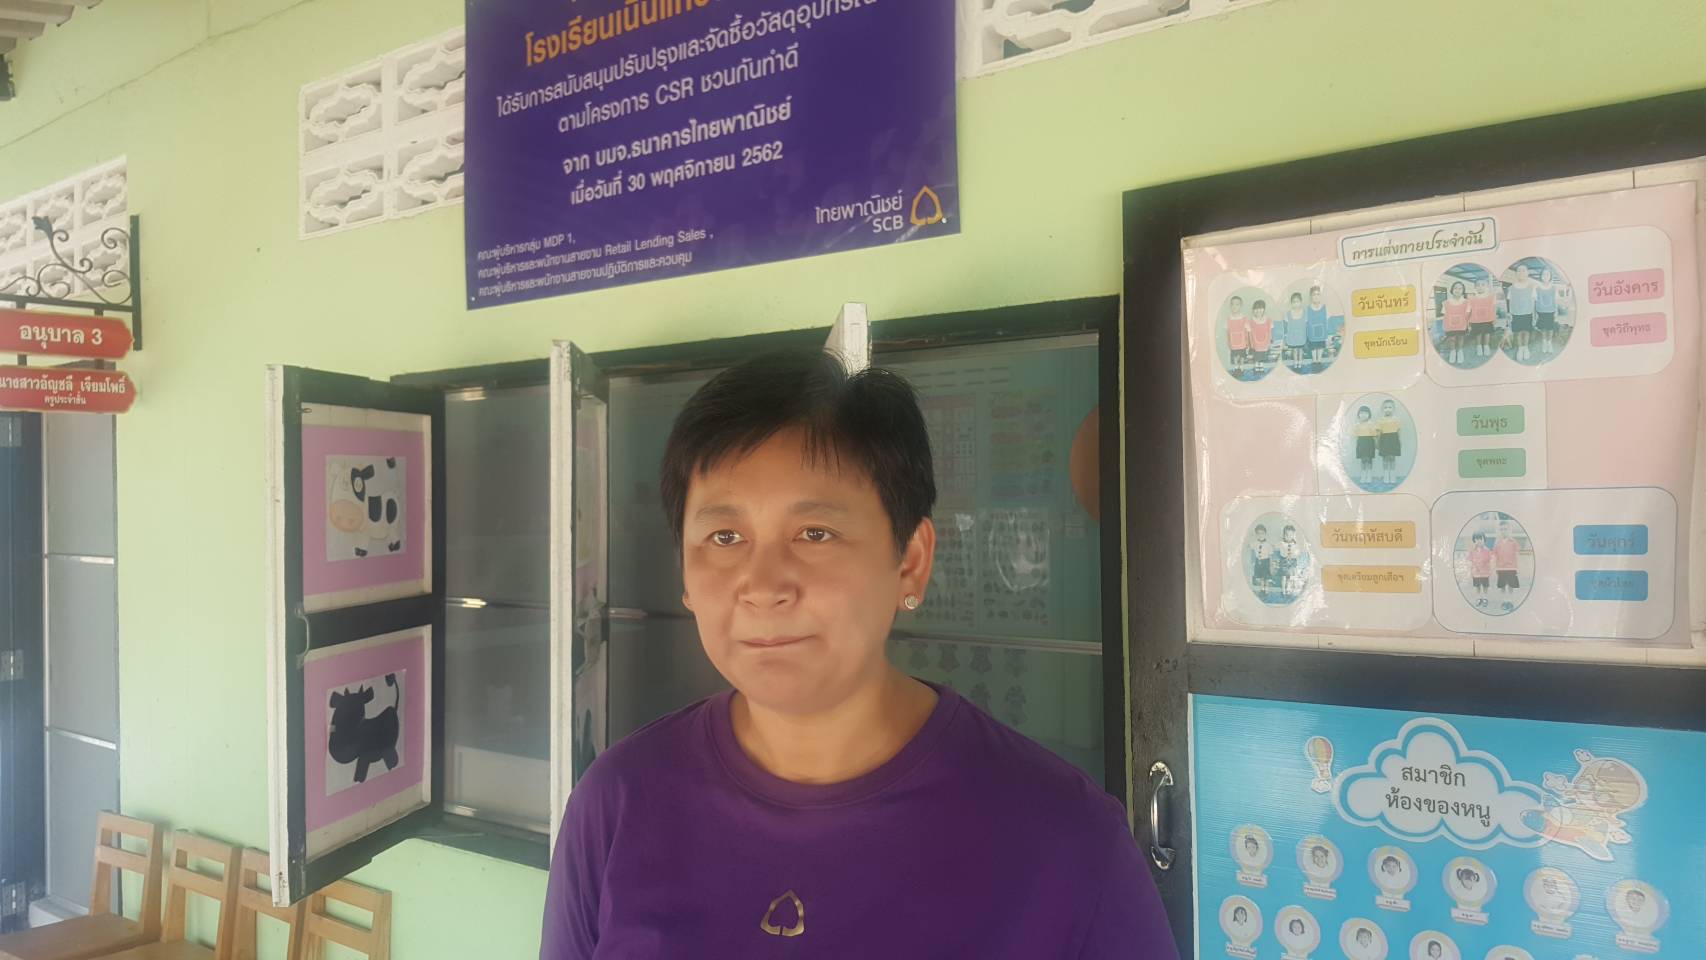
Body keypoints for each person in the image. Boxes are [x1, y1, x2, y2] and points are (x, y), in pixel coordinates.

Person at [539, 349, 1175, 959]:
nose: (763, 585)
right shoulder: (617, 805)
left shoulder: (1069, 843)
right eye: (724, 536)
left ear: (911, 562)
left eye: (814, 533)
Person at [1506, 264, 1537, 362]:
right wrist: (1509, 314)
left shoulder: (1532, 287)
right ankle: (1520, 349)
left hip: (1528, 313)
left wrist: (1534, 315)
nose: (1521, 272)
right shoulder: (1511, 288)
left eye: (1524, 270)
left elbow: (1533, 301)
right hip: (1516, 313)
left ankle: (1525, 348)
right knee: (1518, 332)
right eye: (1519, 271)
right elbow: (1509, 302)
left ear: (1528, 273)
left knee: (1526, 331)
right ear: (1516, 274)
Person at [1441, 281, 1470, 364]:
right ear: (1452, 290)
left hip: (1462, 325)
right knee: (1452, 339)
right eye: (1455, 288)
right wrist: (1444, 326)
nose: (1457, 290)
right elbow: (1444, 315)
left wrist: (1469, 325)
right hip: (1450, 325)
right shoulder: (1446, 302)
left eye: (1460, 288)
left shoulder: (1466, 302)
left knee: (1461, 338)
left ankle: (1460, 351)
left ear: (1463, 290)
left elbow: (1467, 314)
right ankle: (1453, 352)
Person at [1468, 276, 1498, 358]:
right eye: (1478, 285)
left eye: (1483, 285)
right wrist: (1469, 321)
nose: (1480, 287)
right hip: (1476, 320)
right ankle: (1479, 347)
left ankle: (1486, 346)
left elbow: (1494, 308)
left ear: (1487, 286)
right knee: (1478, 333)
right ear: (1475, 287)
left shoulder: (1491, 297)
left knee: (1487, 333)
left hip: (1488, 319)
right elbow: (1469, 310)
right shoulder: (1472, 298)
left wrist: (1494, 318)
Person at [1377, 399, 1402, 487]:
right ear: (1382, 409)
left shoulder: (1396, 420)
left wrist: (1400, 441)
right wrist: (1378, 443)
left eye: (1390, 407)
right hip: (1384, 439)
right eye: (1385, 407)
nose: (1388, 409)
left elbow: (1399, 432)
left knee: (1392, 457)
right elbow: (1379, 433)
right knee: (1385, 458)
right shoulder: (1380, 420)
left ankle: (1392, 475)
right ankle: (1386, 475)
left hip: (1393, 439)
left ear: (1393, 409)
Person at [1493, 521, 1521, 601]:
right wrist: (1495, 567)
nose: (1503, 531)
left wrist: (1518, 567)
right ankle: (1504, 600)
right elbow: (1495, 556)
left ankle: (1510, 600)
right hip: (1501, 568)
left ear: (1509, 530)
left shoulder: (1513, 542)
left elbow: (1517, 555)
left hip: (1511, 568)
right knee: (1502, 586)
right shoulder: (1497, 543)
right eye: (1501, 529)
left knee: (1511, 586)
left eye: (1505, 529)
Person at [1535, 268, 1560, 357]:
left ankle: (1549, 343)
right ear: (1541, 276)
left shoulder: (1554, 288)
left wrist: (1556, 312)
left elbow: (1556, 301)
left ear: (1550, 276)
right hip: (1541, 312)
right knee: (1543, 328)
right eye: (1543, 274)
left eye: (1547, 274)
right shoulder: (1537, 288)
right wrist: (1535, 314)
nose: (1545, 276)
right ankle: (1544, 343)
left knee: (1550, 328)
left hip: (1551, 311)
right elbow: (1535, 301)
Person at [1306, 286, 1331, 369]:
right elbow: (1306, 323)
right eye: (1314, 294)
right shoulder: (1308, 309)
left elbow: (1327, 322)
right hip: (1312, 333)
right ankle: (1314, 360)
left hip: (1322, 332)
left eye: (1318, 294)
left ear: (1320, 296)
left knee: (1320, 346)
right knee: (1313, 346)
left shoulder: (1325, 308)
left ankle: (1319, 360)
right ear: (1311, 296)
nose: (1316, 296)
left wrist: (1328, 335)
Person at [1283, 291, 1309, 368]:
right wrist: (1285, 337)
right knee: (1294, 350)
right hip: (1292, 336)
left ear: (1301, 302)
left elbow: (1306, 325)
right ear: (1291, 303)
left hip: (1301, 336)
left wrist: (1307, 335)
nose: (1296, 304)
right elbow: (1286, 326)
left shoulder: (1304, 313)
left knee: (1300, 350)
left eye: (1297, 302)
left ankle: (1300, 362)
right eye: (1294, 302)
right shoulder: (1288, 314)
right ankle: (1295, 362)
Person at [1353, 406, 1378, 486]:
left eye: (1366, 413)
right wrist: (1357, 445)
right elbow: (1356, 436)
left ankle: (1369, 475)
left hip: (1369, 442)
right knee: (1363, 460)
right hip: (1361, 442)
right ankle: (1363, 475)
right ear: (1358, 415)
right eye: (1361, 413)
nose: (1363, 415)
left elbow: (1374, 435)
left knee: (1369, 459)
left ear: (1369, 415)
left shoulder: (1371, 424)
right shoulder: (1357, 425)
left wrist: (1376, 444)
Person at [1227, 295, 1251, 377]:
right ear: (1230, 306)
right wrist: (1228, 342)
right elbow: (1228, 332)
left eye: (1237, 304)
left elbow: (1248, 331)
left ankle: (1241, 369)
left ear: (1241, 306)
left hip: (1242, 342)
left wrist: (1248, 343)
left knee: (1241, 356)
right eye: (1232, 304)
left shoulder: (1244, 318)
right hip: (1233, 342)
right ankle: (1236, 368)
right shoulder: (1229, 319)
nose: (1234, 306)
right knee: (1235, 356)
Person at [1467, 533, 1494, 608]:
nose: (1479, 541)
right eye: (1476, 539)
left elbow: (1490, 561)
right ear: (1474, 540)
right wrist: (1471, 571)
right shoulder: (1472, 551)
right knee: (1477, 586)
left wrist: (1490, 570)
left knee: (1485, 586)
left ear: (1484, 540)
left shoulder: (1487, 550)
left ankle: (1485, 598)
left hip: (1485, 573)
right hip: (1476, 573)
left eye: (1480, 539)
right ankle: (1479, 598)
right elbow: (1470, 561)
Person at [1249, 299, 1273, 375]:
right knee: (1256, 356)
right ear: (1253, 310)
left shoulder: (1268, 320)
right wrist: (1250, 343)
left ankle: (1261, 368)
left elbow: (1270, 331)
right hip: (1255, 343)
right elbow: (1249, 333)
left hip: (1264, 342)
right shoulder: (1251, 321)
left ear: (1264, 309)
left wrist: (1270, 340)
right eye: (1256, 309)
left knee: (1262, 356)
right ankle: (1256, 369)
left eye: (1260, 308)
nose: (1258, 310)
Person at [1250, 526, 1274, 601]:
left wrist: (1271, 565)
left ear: (1265, 534)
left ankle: (1266, 590)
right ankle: (1262, 590)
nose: (1260, 535)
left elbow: (1270, 555)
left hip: (1266, 562)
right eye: (1258, 533)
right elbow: (1250, 547)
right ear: (1256, 534)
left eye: (1262, 533)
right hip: (1258, 562)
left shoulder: (1268, 544)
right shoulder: (1254, 544)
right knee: (1261, 578)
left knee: (1266, 578)